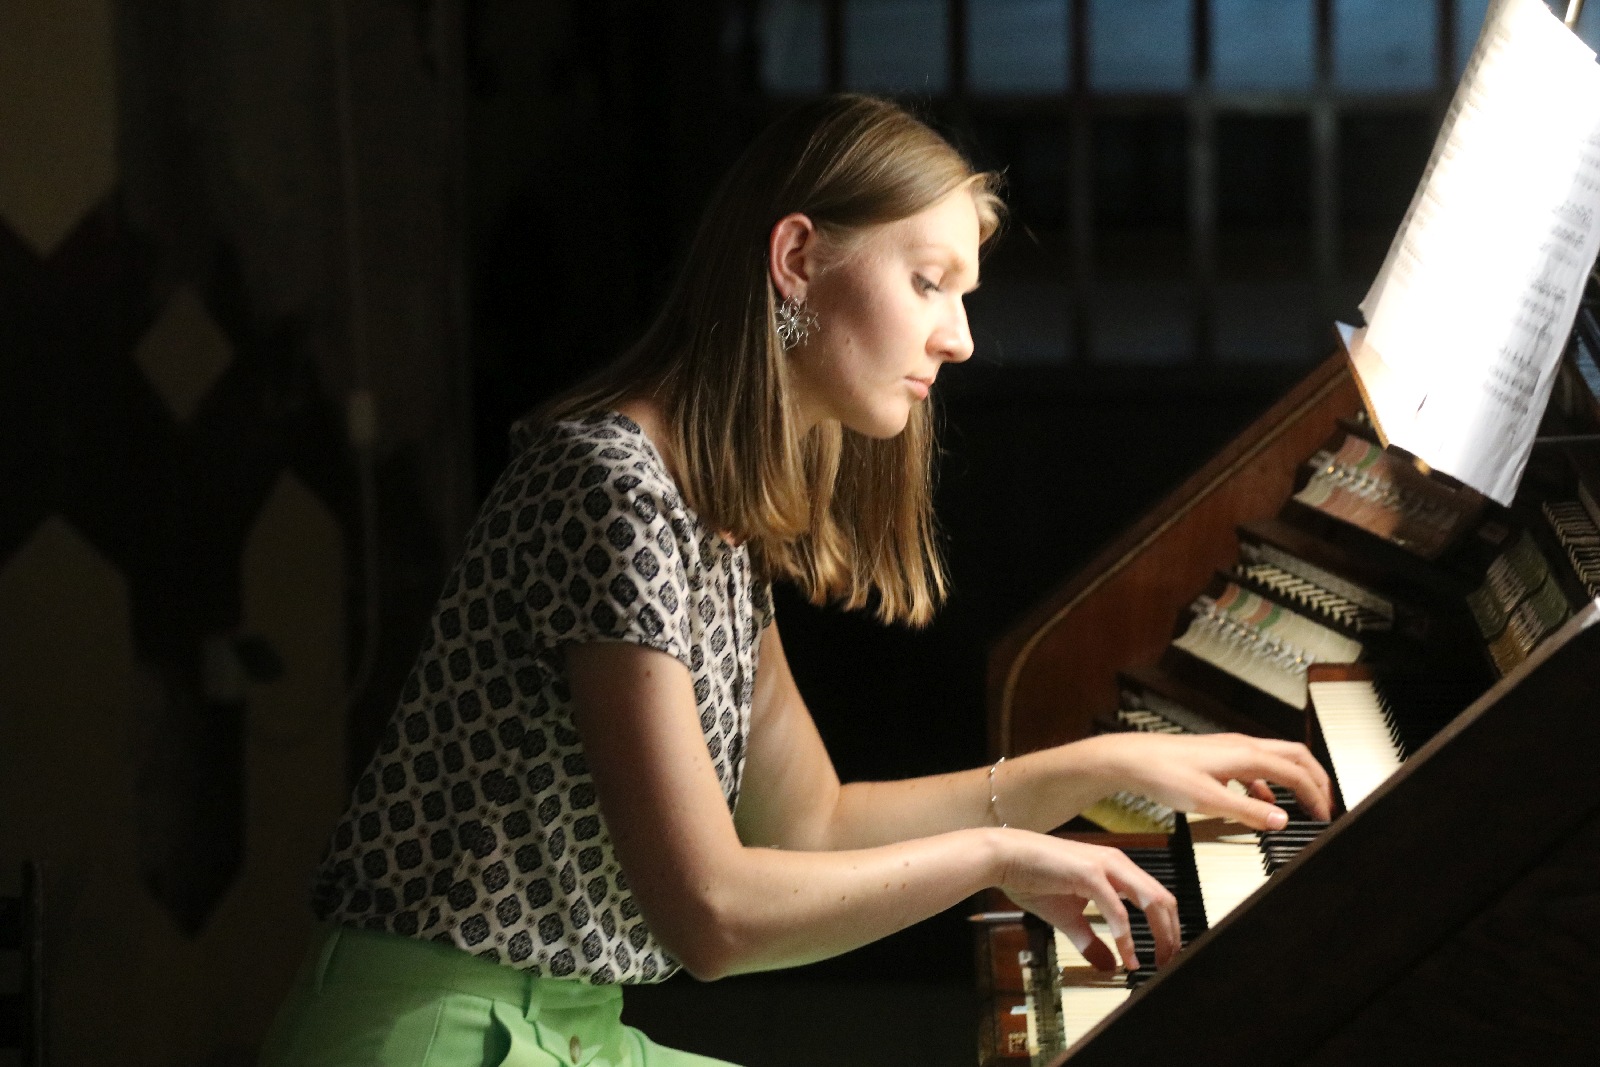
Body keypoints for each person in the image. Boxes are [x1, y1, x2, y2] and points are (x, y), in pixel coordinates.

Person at [260, 93, 1331, 1067]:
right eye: (926, 281)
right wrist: (998, 855)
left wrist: (1097, 765)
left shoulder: (708, 505)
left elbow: (809, 822)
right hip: (435, 1036)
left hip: (573, 1031)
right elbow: (712, 914)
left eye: (961, 293)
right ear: (796, 258)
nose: (957, 338)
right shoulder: (610, 485)